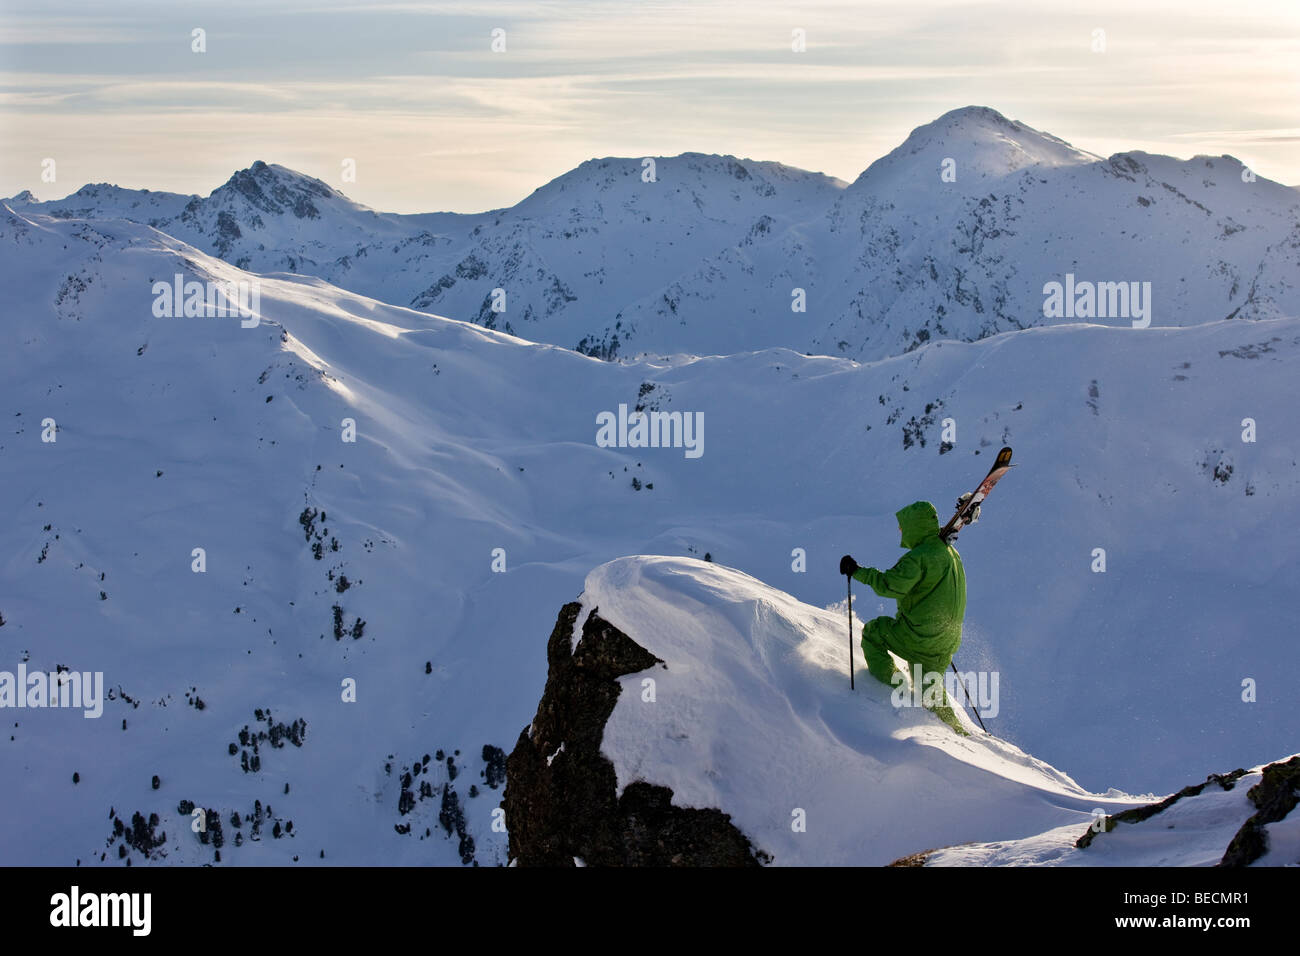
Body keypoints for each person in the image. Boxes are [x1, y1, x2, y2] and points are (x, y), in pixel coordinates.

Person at [840, 500, 969, 735]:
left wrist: (857, 571)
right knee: (929, 690)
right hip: (946, 640)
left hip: (919, 636)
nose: (900, 531)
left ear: (914, 527)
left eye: (902, 526)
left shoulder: (918, 558)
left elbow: (889, 586)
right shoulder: (950, 552)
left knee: (874, 633)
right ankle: (959, 732)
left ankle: (893, 687)